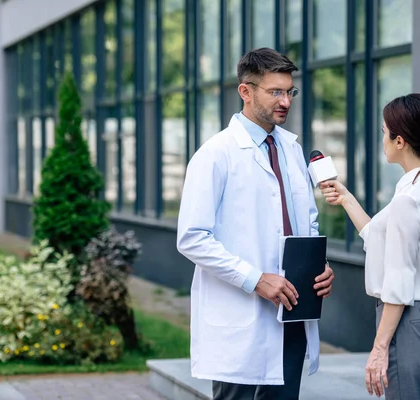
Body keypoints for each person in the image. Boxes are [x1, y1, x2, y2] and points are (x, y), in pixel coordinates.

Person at [176, 47, 335, 400]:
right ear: (246, 92)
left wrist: (320, 265)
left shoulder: (292, 150)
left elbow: (305, 222)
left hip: (292, 314)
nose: (285, 101)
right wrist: (255, 279)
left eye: (289, 91)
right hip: (242, 321)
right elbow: (192, 238)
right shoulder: (216, 154)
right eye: (274, 92)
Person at [320, 93, 420, 399]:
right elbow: (379, 237)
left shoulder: (408, 200)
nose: (381, 138)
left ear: (400, 141)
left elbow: (398, 281)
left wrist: (379, 348)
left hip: (411, 326)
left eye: (384, 132)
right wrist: (345, 198)